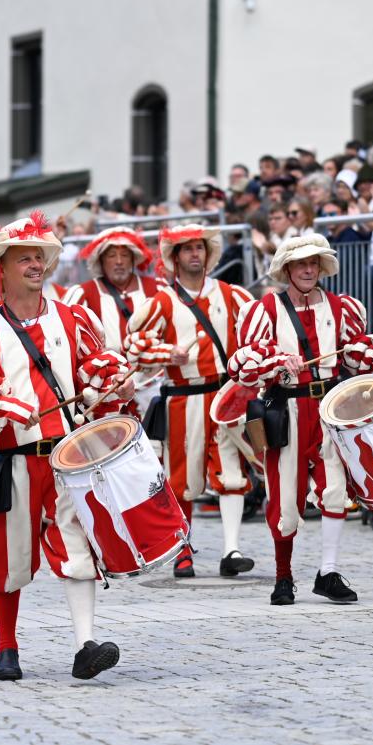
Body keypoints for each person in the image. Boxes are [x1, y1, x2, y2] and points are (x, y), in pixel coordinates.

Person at [0, 212, 134, 681]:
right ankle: (7, 647)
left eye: (39, 258)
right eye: (23, 259)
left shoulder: (71, 318)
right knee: (7, 558)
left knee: (79, 547)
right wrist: (1, 408)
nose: (34, 265)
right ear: (1, 270)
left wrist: (112, 384)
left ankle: (85, 645)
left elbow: (95, 375)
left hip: (69, 457)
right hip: (13, 462)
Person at [229, 234, 373, 605]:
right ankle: (283, 576)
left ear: (321, 268)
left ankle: (328, 571)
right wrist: (274, 360)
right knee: (284, 499)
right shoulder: (266, 310)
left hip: (329, 410)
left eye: (314, 263)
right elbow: (241, 366)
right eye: (300, 263)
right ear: (287, 269)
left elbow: (355, 354)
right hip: (286, 411)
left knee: (335, 490)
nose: (308, 269)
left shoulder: (342, 308)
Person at [123, 225, 255, 579]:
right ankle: (182, 550)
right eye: (187, 249)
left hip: (227, 396)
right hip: (183, 399)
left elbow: (259, 335)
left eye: (200, 248)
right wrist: (170, 352)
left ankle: (231, 549)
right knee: (181, 476)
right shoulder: (162, 302)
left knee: (231, 470)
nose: (195, 254)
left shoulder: (233, 296)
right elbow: (133, 346)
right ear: (175, 257)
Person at [63, 227, 162, 354]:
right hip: (107, 372)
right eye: (112, 255)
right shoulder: (82, 293)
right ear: (101, 261)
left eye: (125, 255)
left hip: (153, 371)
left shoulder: (157, 288)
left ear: (133, 259)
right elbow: (63, 336)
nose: (119, 261)